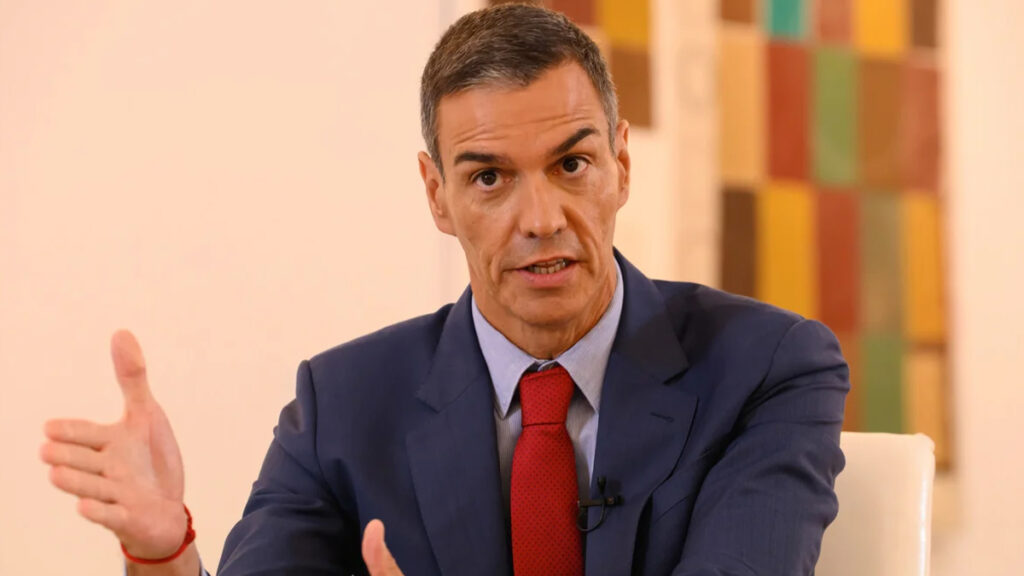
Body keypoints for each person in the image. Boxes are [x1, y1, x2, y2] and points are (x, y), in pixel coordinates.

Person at [40, 4, 849, 575]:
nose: (541, 220)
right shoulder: (342, 404)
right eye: (490, 178)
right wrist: (164, 553)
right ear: (437, 195)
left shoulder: (768, 367)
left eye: (572, 164)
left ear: (621, 165)